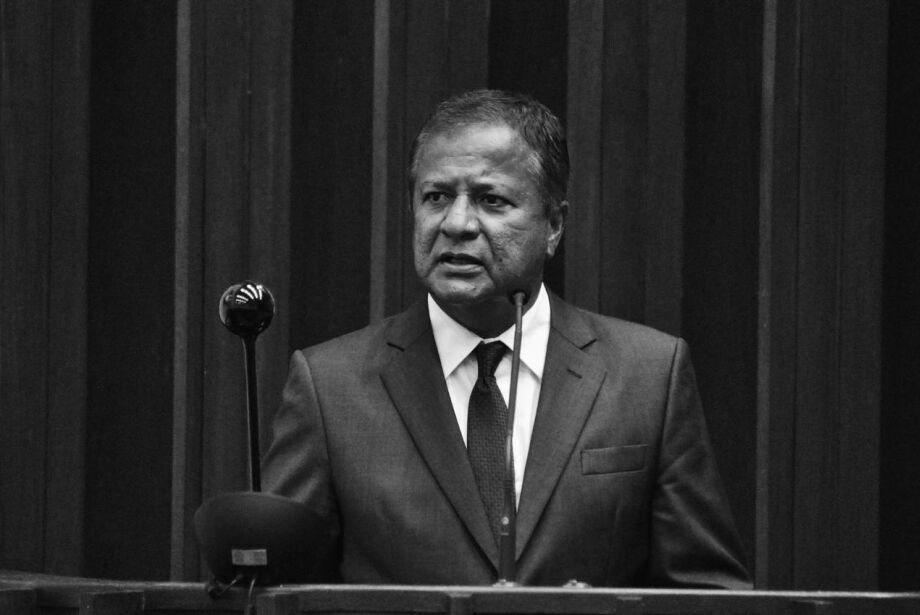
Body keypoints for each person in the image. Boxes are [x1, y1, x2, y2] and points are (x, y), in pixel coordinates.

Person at [262, 89, 751, 588]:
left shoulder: (648, 376)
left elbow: (707, 596)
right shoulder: (330, 388)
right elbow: (276, 595)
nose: (456, 224)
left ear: (554, 225)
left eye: (490, 200)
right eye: (436, 197)